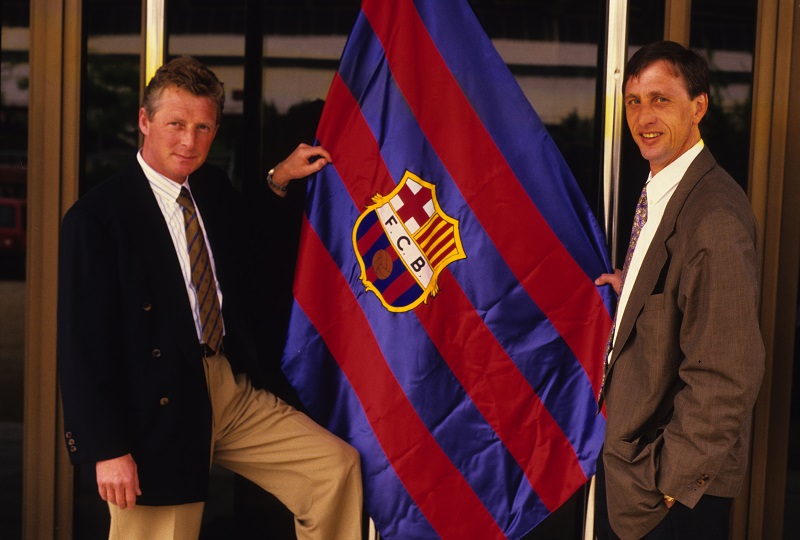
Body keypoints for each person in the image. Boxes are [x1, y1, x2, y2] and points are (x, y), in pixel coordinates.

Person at [57, 56, 363, 540]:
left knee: (333, 469)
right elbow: (82, 346)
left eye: (203, 127)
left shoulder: (211, 187)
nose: (189, 141)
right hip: (154, 403)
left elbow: (249, 238)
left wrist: (279, 177)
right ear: (144, 121)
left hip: (227, 388)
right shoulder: (96, 219)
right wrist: (106, 449)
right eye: (175, 124)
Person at [594, 41, 764, 539]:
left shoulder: (714, 216)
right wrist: (634, 288)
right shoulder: (666, 187)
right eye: (634, 100)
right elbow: (686, 294)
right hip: (639, 477)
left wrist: (665, 485)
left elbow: (727, 374)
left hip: (669, 498)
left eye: (660, 99)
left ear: (698, 106)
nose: (643, 116)